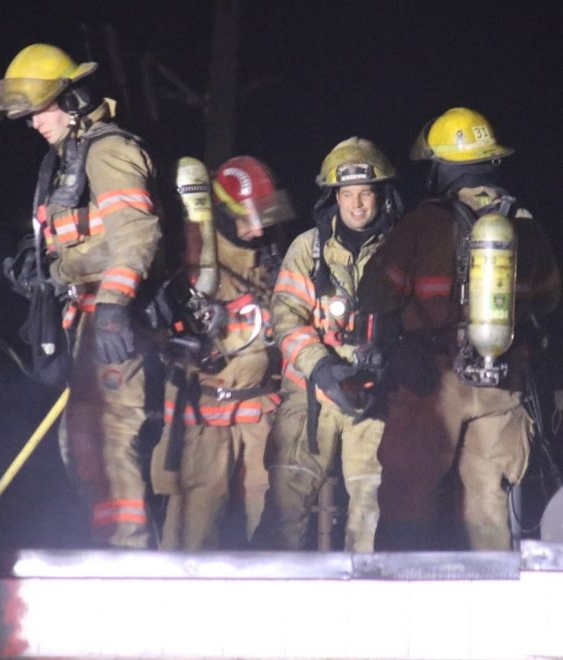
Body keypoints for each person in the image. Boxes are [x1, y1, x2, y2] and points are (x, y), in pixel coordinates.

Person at [358, 107, 561, 551]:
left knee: (410, 496)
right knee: (488, 501)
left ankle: (400, 582)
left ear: (442, 168)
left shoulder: (422, 224)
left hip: (434, 382)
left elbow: (374, 295)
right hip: (502, 380)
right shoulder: (525, 224)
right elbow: (548, 299)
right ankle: (491, 590)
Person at [0, 43, 163, 548]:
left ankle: (127, 556)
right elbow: (82, 241)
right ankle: (115, 547)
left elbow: (136, 232)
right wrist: (42, 269)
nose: (33, 123)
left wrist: (112, 307)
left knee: (107, 436)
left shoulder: (108, 151)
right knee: (83, 442)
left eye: (38, 110)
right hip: (84, 316)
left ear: (71, 101)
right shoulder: (69, 159)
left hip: (112, 319)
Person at [253, 138, 403, 552]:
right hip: (311, 396)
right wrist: (320, 367)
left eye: (365, 194)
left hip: (372, 397)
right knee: (285, 506)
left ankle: (366, 587)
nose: (357, 205)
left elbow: (414, 319)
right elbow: (286, 318)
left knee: (372, 511)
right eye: (347, 194)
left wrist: (391, 357)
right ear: (334, 197)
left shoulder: (400, 248)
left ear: (380, 196)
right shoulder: (308, 249)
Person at [151, 156, 294, 550]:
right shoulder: (193, 256)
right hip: (205, 411)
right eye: (249, 218)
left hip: (262, 408)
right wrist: (187, 328)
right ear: (225, 213)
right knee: (195, 521)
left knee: (276, 517)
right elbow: (160, 326)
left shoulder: (271, 254)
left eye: (264, 217)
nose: (259, 228)